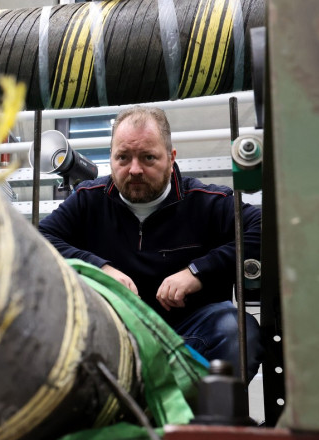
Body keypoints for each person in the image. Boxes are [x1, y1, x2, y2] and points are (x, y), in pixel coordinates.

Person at [38, 106, 263, 381]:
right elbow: (41, 241)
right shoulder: (88, 200)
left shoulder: (206, 201)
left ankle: (196, 414)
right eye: (123, 157)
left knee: (238, 332)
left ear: (171, 158)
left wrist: (198, 272)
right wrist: (101, 270)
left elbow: (264, 227)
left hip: (191, 339)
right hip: (115, 338)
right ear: (111, 158)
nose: (134, 170)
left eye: (148, 158)